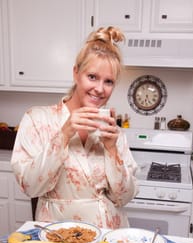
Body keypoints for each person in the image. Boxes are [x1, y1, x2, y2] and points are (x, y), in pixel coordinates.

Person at [11, 26, 138, 229]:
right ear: (76, 73)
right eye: (92, 77)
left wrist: (112, 150)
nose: (99, 89)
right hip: (59, 235)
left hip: (110, 236)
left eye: (109, 82)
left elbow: (124, 197)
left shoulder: (111, 131)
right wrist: (64, 134)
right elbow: (29, 186)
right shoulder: (37, 119)